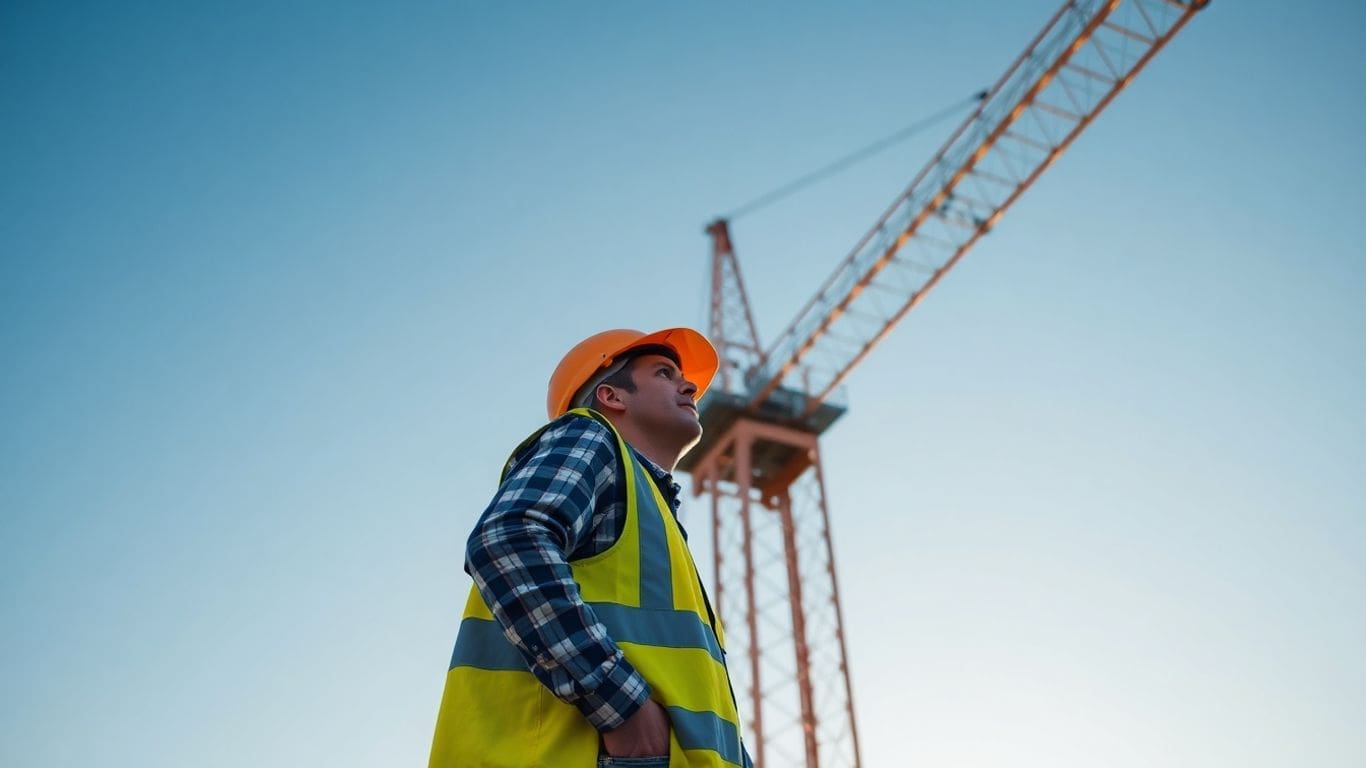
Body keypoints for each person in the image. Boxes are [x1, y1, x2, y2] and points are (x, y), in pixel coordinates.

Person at [429, 328, 752, 768]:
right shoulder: (589, 435)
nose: (689, 386)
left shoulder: (655, 517)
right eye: (664, 373)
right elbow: (508, 539)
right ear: (611, 396)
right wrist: (623, 709)